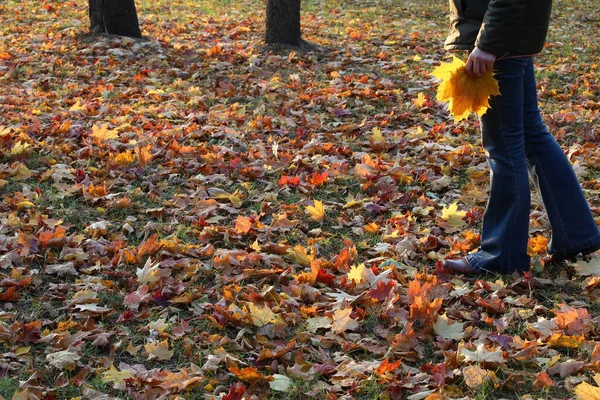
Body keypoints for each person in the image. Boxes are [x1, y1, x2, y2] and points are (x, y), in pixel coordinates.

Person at [441, 0, 600, 274]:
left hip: (499, 41)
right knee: (530, 135)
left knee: (503, 145)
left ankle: (501, 255)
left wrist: (488, 44)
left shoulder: (495, 41)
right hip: (512, 39)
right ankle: (576, 233)